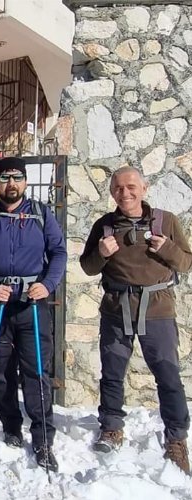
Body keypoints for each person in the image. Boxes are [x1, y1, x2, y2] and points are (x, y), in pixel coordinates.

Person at [80, 165, 192, 474]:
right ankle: (112, 427)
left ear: (145, 188)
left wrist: (167, 247)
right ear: (112, 192)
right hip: (116, 309)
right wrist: (101, 253)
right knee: (112, 373)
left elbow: (186, 262)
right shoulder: (104, 226)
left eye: (131, 187)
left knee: (168, 375)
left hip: (157, 309)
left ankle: (176, 440)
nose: (124, 193)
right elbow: (88, 267)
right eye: (118, 188)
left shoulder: (165, 221)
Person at [0, 156, 67, 471]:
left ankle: (43, 437)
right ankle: (10, 424)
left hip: (32, 304)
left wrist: (48, 284)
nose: (11, 184)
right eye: (5, 178)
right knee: (2, 369)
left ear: (25, 181)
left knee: (36, 371)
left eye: (17, 178)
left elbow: (59, 251)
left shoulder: (40, 213)